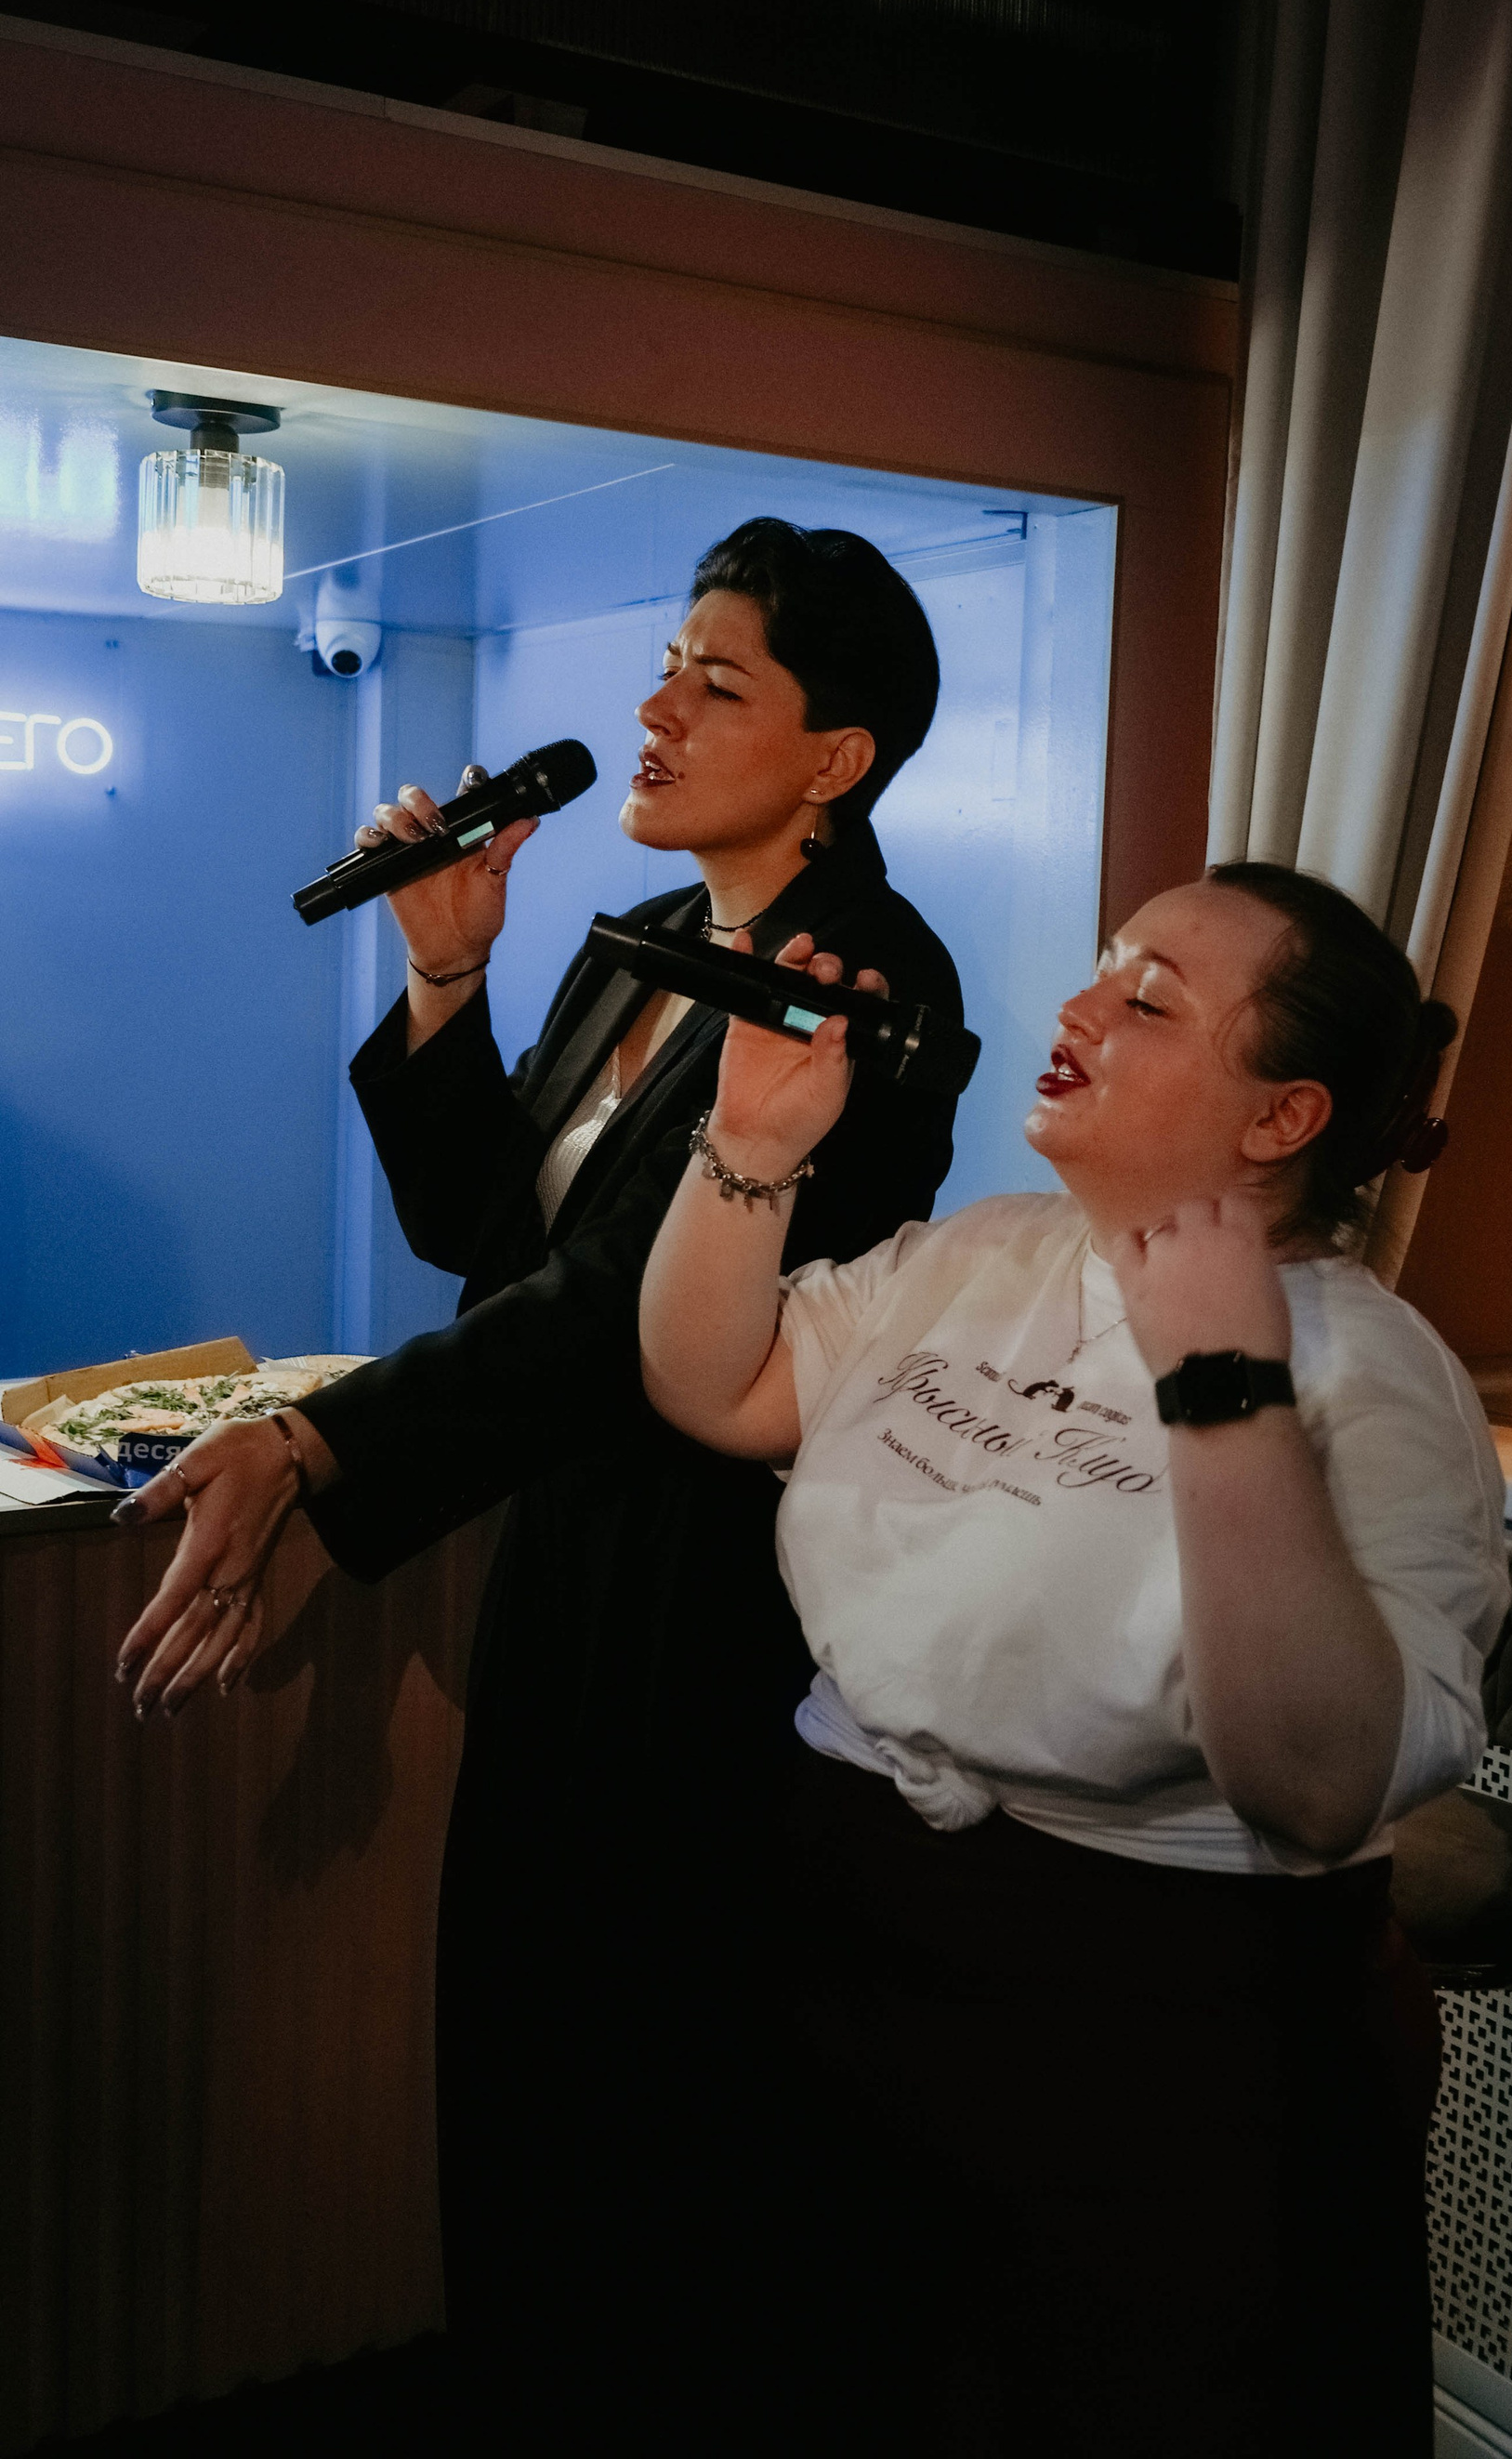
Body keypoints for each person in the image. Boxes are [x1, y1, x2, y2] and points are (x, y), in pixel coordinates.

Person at [114, 519, 966, 2442]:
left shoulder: (866, 975)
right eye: (665, 667)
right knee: (518, 2041)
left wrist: (317, 1440)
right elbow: (493, 1244)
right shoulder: (643, 938)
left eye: (718, 683)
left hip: (711, 1592)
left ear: (836, 758)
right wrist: (447, 979)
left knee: (649, 2074)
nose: (656, 712)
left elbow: (614, 1319)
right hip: (566, 1552)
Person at [638, 860, 1510, 2458]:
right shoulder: (986, 1252)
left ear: (1282, 1118)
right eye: (1105, 967)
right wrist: (750, 1147)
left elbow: (1318, 1789)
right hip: (846, 1947)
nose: (1079, 1007)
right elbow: (719, 1387)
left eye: (1149, 1000)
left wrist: (1225, 1383)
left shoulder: (1376, 1381)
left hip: (1151, 2042)